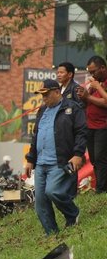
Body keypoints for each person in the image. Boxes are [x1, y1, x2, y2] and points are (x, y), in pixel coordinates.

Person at [25, 79, 87, 235]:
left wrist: (78, 154)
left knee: (53, 191)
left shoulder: (72, 108)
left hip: (60, 162)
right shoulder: (42, 110)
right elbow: (36, 136)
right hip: (41, 163)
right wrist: (30, 159)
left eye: (46, 95)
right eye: (42, 95)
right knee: (40, 204)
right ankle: (52, 234)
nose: (44, 98)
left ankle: (73, 214)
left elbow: (81, 132)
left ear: (57, 92)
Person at [76, 55, 107, 193]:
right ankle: (99, 186)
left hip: (103, 126)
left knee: (101, 158)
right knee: (94, 159)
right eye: (90, 72)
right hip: (90, 126)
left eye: (93, 71)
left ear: (103, 68)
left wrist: (91, 94)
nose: (91, 75)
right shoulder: (95, 84)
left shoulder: (100, 83)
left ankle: (102, 189)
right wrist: (83, 97)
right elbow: (88, 102)